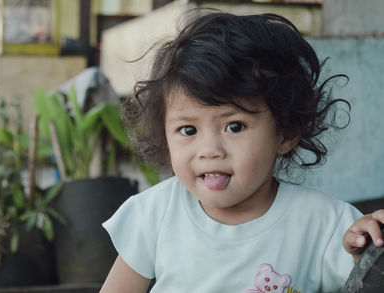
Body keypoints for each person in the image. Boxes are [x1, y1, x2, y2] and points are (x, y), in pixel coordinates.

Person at [100, 9, 384, 292]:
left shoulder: (326, 224)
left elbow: (366, 278)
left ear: (285, 133)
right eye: (188, 130)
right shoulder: (154, 214)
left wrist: (366, 257)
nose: (209, 150)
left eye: (234, 126)